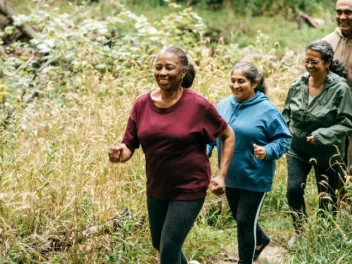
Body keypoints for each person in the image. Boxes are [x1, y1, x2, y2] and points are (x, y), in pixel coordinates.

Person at [108, 46, 235, 264]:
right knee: (160, 243)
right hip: (157, 186)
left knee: (168, 248)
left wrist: (222, 175)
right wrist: (120, 154)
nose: (162, 72)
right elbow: (129, 144)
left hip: (190, 186)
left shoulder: (198, 105)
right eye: (158, 67)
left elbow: (227, 135)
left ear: (183, 72)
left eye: (169, 67)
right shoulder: (141, 104)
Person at [207, 61, 292, 264]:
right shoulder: (223, 105)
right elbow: (211, 134)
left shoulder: (267, 110)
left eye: (241, 81)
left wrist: (268, 150)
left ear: (254, 83)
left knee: (244, 222)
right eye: (233, 81)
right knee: (240, 217)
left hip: (255, 176)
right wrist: (205, 151)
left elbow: (284, 138)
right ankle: (261, 240)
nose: (236, 85)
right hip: (229, 175)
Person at [283, 40, 352, 245]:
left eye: (315, 62)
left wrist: (322, 135)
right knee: (293, 190)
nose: (310, 65)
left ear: (328, 62)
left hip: (327, 152)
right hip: (297, 149)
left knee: (327, 196)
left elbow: (347, 123)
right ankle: (300, 230)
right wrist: (285, 133)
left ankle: (324, 236)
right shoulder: (298, 84)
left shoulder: (340, 89)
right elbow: (286, 114)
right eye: (307, 61)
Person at [323, 0, 352, 172]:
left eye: (348, 12)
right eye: (338, 12)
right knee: (333, 164)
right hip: (332, 114)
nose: (342, 17)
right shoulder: (326, 43)